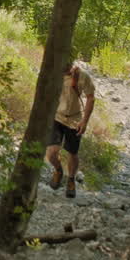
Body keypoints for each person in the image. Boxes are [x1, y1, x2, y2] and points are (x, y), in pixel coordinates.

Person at [46, 60, 95, 199]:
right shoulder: (53, 73)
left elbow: (91, 98)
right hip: (56, 117)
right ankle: (58, 170)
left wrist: (84, 121)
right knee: (51, 152)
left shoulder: (82, 76)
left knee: (72, 153)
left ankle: (71, 179)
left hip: (74, 120)